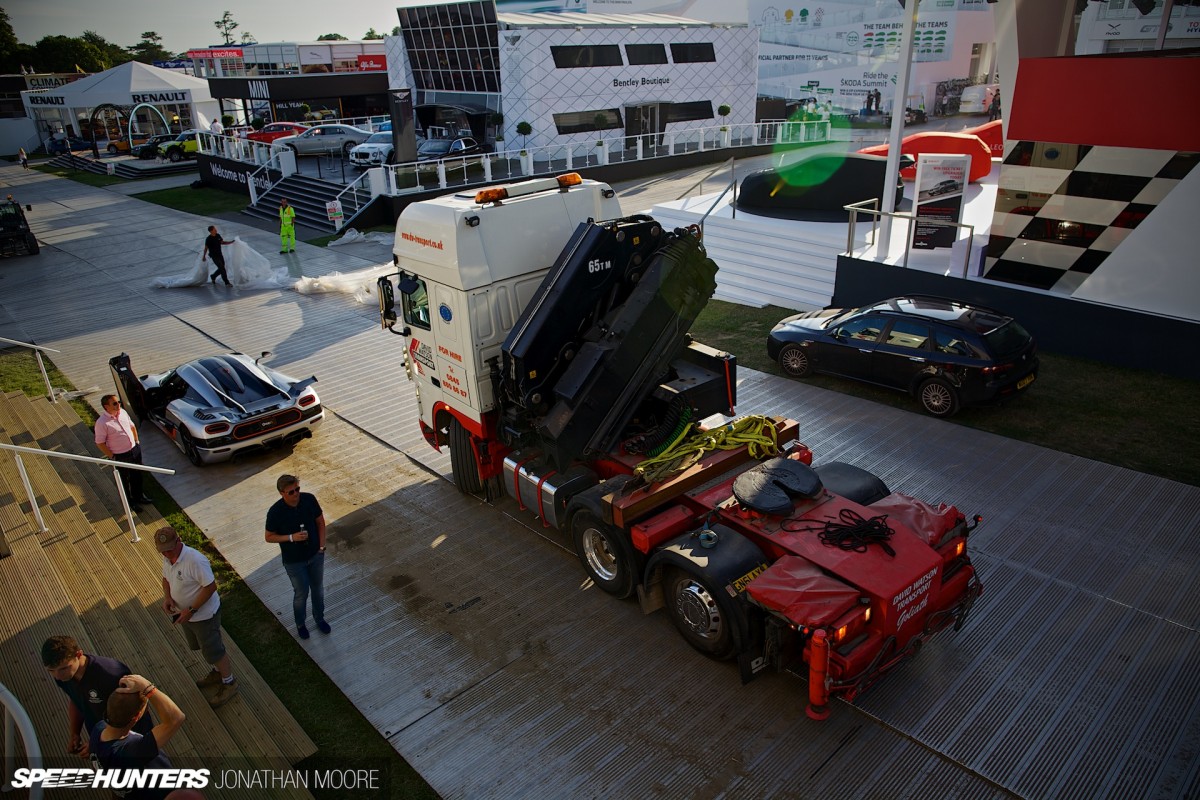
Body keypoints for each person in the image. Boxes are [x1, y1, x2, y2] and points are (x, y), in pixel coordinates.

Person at [156, 526, 238, 707]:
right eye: (163, 551)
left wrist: (191, 610)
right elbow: (166, 579)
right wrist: (168, 597)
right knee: (203, 648)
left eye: (170, 549)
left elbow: (210, 587)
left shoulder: (195, 560)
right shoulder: (168, 559)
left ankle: (229, 682)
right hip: (187, 616)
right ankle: (217, 672)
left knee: (214, 650)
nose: (167, 554)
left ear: (179, 541)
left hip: (203, 617)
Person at [42, 636, 153, 757]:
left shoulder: (111, 674)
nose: (58, 676)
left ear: (79, 654)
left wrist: (98, 743)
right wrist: (75, 733)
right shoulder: (64, 676)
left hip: (133, 738)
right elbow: (76, 699)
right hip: (103, 739)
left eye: (64, 668)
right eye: (51, 671)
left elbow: (134, 710)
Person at [90, 673, 186, 800]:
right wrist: (148, 687)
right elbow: (176, 718)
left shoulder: (98, 729)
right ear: (137, 717)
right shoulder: (132, 751)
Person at [265, 474, 329, 639]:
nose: (296, 494)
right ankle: (300, 624)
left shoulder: (309, 500)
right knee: (301, 593)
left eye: (297, 489)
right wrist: (291, 537)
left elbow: (320, 522)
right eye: (291, 492)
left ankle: (320, 619)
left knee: (318, 590)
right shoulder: (275, 512)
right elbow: (269, 536)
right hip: (294, 561)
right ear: (282, 493)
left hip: (315, 555)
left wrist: (321, 547)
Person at [95, 394, 150, 511]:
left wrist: (136, 441)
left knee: (137, 475)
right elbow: (100, 442)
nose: (118, 404)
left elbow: (132, 426)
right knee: (124, 480)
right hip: (120, 455)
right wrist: (112, 456)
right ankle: (130, 503)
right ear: (106, 407)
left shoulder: (123, 412)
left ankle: (139, 496)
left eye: (118, 402)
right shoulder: (102, 423)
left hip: (134, 450)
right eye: (114, 403)